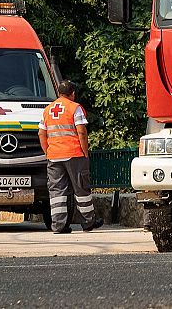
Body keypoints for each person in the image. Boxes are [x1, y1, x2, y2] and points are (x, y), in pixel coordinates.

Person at [40, 80, 101, 233]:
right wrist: (85, 152)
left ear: (59, 93)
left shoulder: (47, 110)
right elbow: (81, 131)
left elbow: (42, 133)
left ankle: (59, 226)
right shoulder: (75, 108)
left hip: (54, 156)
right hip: (74, 154)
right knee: (81, 189)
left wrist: (47, 152)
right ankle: (88, 222)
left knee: (57, 192)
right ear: (72, 93)